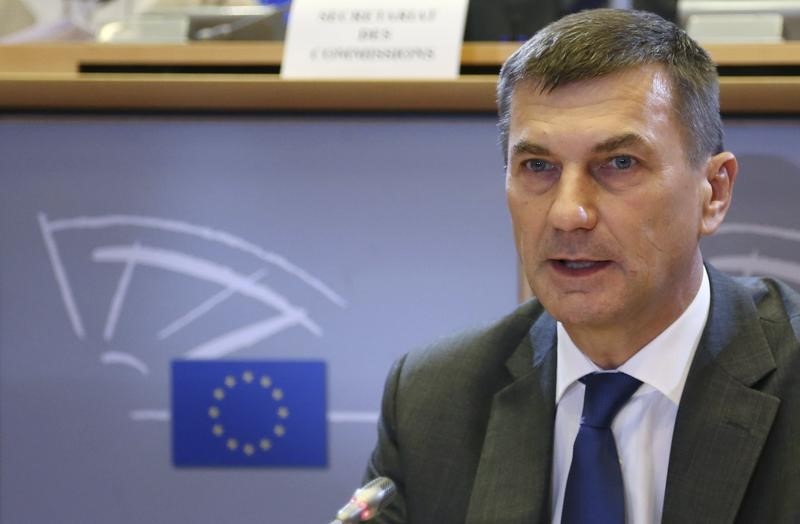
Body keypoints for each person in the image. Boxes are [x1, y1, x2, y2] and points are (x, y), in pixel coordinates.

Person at [364, 8, 800, 524]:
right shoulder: (434, 398)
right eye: (538, 167)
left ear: (714, 193)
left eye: (619, 164)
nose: (569, 213)